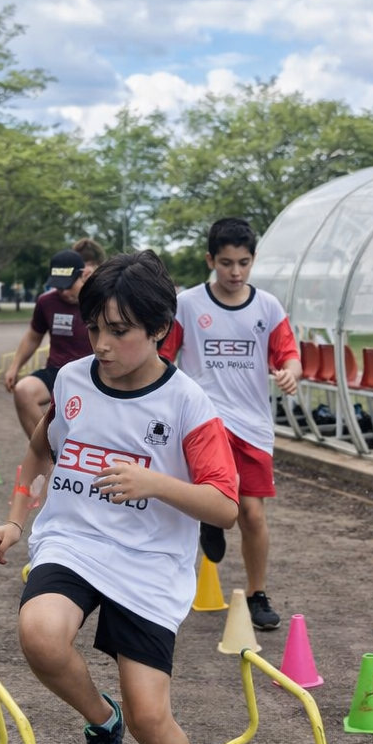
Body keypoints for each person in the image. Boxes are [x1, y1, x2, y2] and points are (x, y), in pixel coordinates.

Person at [0, 250, 238, 744]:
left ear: (158, 329)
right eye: (95, 328)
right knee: (39, 633)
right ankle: (101, 722)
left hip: (149, 563)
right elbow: (39, 450)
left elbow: (225, 507)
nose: (103, 343)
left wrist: (155, 482)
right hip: (74, 541)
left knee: (153, 717)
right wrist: (15, 519)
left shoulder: (187, 404)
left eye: (118, 330)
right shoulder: (71, 382)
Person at [159, 217, 302, 632]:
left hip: (253, 426)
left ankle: (257, 594)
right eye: (226, 263)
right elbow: (165, 357)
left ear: (254, 260)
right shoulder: (187, 303)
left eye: (243, 263)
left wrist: (291, 371)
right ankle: (171, 583)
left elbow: (288, 354)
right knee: (198, 502)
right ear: (210, 260)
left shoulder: (268, 307)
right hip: (205, 421)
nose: (235, 272)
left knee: (252, 515)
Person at [3, 249, 95, 437]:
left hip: (93, 375)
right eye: (59, 287)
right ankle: (47, 453)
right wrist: (14, 367)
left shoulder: (99, 301)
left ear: (84, 274)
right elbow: (33, 336)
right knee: (23, 391)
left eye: (69, 285)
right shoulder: (46, 302)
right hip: (57, 372)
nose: (64, 292)